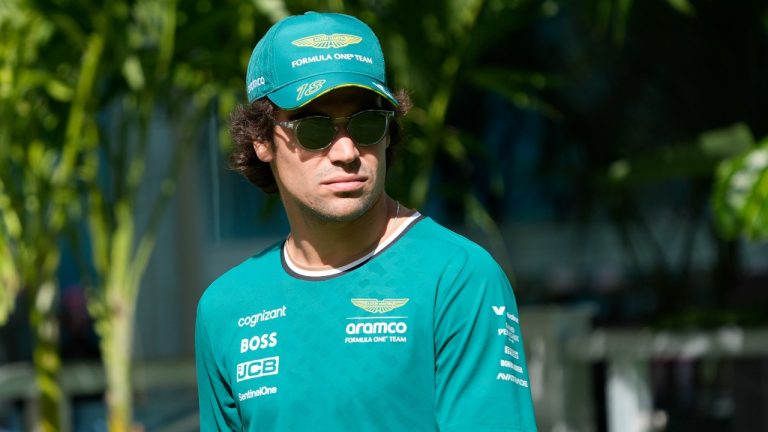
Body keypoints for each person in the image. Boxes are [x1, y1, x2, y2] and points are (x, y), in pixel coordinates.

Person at [195, 11, 537, 431]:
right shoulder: (227, 307)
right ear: (262, 141)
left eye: (367, 123)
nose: (346, 152)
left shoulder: (457, 278)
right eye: (314, 128)